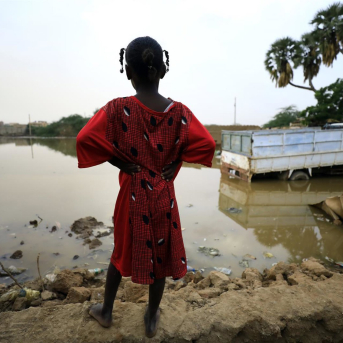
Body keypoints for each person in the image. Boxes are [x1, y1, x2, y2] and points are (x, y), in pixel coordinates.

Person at [76, 36, 215, 338]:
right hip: (164, 192)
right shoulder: (179, 112)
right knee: (161, 258)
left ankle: (107, 311)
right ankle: (151, 318)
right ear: (162, 70)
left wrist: (119, 162)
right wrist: (175, 163)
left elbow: (84, 139)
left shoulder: (116, 108)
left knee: (119, 252)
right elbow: (206, 143)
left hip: (132, 192)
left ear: (129, 72)